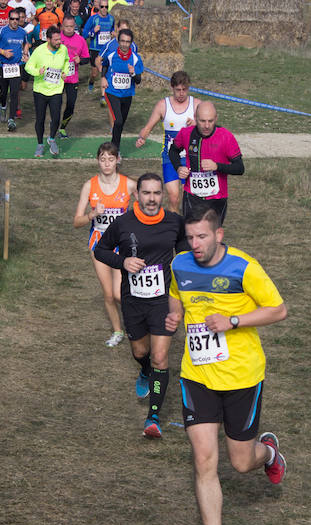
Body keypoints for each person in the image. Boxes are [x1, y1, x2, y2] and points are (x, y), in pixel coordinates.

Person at [165, 207, 287, 525]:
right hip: (197, 375)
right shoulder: (181, 265)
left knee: (239, 462)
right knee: (204, 460)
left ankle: (267, 453)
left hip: (241, 377)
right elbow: (176, 296)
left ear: (219, 234)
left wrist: (232, 321)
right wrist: (173, 316)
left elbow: (278, 310)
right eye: (190, 237)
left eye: (202, 236)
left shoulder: (244, 267)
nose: (195, 244)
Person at [94, 173, 187, 438]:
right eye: (146, 193)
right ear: (137, 195)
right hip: (133, 299)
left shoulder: (174, 222)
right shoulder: (123, 224)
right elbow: (101, 250)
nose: (152, 199)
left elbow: (183, 253)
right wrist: (122, 262)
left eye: (157, 193)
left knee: (160, 357)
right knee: (140, 352)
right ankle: (144, 371)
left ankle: (153, 418)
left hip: (162, 300)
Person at [73, 142, 137, 347]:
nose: (107, 163)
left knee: (120, 293)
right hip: (98, 245)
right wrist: (92, 214)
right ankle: (118, 331)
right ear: (98, 161)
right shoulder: (89, 186)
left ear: (117, 160)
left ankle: (136, 324)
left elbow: (146, 205)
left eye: (111, 159)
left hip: (120, 246)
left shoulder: (128, 184)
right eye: (103, 159)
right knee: (108, 293)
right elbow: (76, 221)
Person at [168, 101, 244, 223]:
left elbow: (240, 168)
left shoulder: (226, 136)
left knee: (212, 238)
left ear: (216, 118)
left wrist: (217, 166)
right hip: (192, 196)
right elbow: (173, 151)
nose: (207, 126)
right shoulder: (186, 133)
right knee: (191, 235)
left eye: (211, 121)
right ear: (195, 118)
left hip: (217, 199)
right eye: (202, 121)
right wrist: (178, 167)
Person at [136, 70, 197, 212]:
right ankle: (174, 228)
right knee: (174, 197)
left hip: (190, 157)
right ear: (172, 88)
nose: (181, 93)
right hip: (170, 157)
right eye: (178, 90)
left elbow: (209, 126)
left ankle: (189, 227)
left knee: (189, 196)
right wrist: (142, 138)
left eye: (184, 90)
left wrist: (196, 124)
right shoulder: (163, 105)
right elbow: (148, 127)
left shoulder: (196, 105)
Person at [25, 26, 69, 157]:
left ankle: (51, 138)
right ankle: (40, 144)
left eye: (59, 39)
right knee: (40, 119)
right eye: (55, 40)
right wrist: (37, 72)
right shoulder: (39, 51)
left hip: (56, 90)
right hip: (40, 90)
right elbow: (28, 66)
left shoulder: (63, 49)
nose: (58, 42)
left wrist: (65, 72)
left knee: (56, 118)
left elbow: (67, 61)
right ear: (48, 39)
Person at [100, 28, 143, 153]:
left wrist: (133, 73)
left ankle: (114, 146)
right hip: (112, 92)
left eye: (127, 42)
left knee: (120, 123)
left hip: (127, 94)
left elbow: (138, 80)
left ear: (131, 43)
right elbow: (105, 64)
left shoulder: (135, 59)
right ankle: (115, 150)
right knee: (117, 120)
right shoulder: (112, 55)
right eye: (122, 41)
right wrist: (103, 77)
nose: (124, 44)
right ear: (118, 41)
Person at [0, 7, 28, 132]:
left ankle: (11, 119)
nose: (15, 21)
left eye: (17, 19)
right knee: (3, 93)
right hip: (3, 66)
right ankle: (3, 106)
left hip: (16, 66)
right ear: (8, 19)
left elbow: (25, 43)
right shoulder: (2, 31)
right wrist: (2, 52)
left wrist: (26, 52)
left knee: (14, 93)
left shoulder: (22, 32)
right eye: (12, 19)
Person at [59, 13, 90, 138]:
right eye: (66, 26)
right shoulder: (57, 38)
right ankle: (54, 125)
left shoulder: (80, 40)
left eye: (71, 26)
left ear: (75, 26)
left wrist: (80, 61)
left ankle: (63, 128)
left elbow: (87, 58)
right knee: (56, 104)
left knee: (71, 104)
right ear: (62, 26)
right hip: (58, 77)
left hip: (72, 78)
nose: (69, 29)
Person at [81, 0, 114, 94]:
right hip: (95, 49)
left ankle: (105, 94)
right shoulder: (93, 19)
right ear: (98, 7)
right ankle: (91, 83)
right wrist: (93, 31)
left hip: (107, 49)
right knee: (95, 73)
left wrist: (113, 33)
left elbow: (113, 29)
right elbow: (84, 35)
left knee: (107, 72)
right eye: (102, 6)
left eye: (106, 7)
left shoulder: (111, 19)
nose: (104, 9)